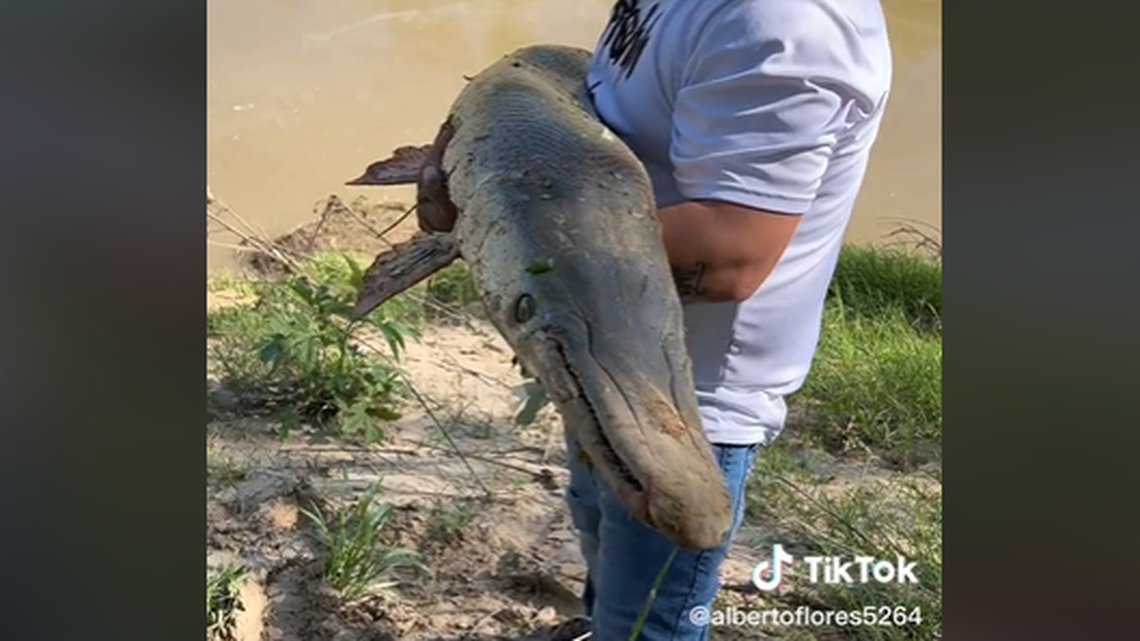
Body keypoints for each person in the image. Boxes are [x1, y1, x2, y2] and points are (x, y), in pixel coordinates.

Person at [560, 1, 893, 639]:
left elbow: (728, 252)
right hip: (610, 346)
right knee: (600, 538)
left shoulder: (784, 26)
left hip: (690, 398)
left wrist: (509, 216)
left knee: (645, 620)